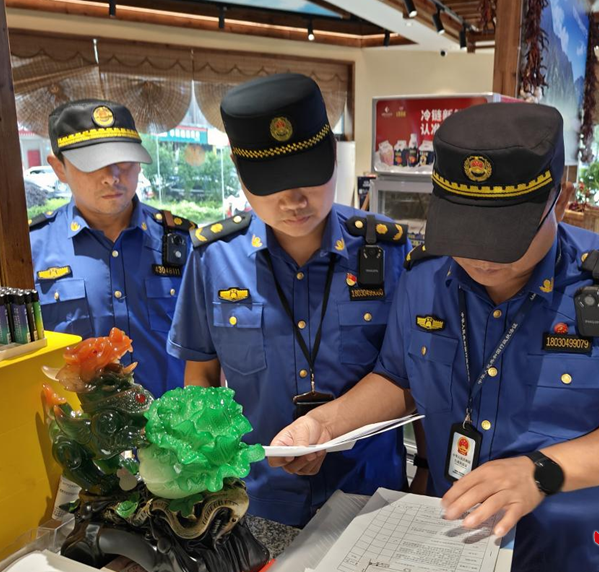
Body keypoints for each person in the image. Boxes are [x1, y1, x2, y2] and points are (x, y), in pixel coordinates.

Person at [269, 102, 599, 572]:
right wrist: (327, 425)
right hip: (448, 557)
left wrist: (544, 471)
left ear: (559, 200)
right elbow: (398, 378)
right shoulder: (425, 278)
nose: (480, 256)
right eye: (466, 233)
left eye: (504, 237)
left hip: (575, 569)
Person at [166, 73, 412, 527]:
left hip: (370, 493)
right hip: (256, 497)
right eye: (273, 183)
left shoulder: (390, 252)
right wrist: (200, 462)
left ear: (332, 157)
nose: (294, 200)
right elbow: (200, 373)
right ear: (242, 179)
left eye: (308, 178)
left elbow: (409, 377)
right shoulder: (213, 259)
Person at [30, 99, 191, 397]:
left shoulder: (184, 244)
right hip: (79, 433)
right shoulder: (32, 251)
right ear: (59, 168)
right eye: (93, 163)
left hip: (170, 430)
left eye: (125, 161)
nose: (112, 175)